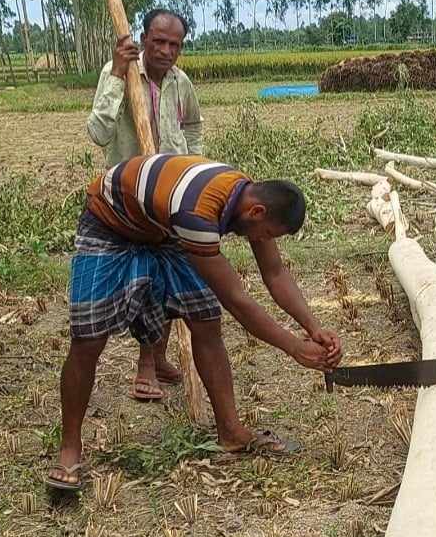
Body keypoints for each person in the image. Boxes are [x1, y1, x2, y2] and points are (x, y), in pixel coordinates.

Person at [45, 154, 343, 491]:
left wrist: (313, 327)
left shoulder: (248, 198)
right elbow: (237, 300)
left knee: (204, 320)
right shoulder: (196, 214)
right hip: (111, 226)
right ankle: (70, 446)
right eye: (267, 233)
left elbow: (274, 273)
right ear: (256, 213)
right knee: (88, 338)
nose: (261, 240)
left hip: (163, 229)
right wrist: (294, 348)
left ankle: (230, 432)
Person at [87, 8, 205, 401]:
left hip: (170, 194)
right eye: (158, 41)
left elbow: (192, 126)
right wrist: (119, 76)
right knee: (141, 280)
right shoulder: (116, 74)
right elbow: (98, 132)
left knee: (169, 278)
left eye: (175, 44)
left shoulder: (180, 82)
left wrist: (194, 167)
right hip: (129, 197)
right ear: (143, 38)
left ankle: (156, 359)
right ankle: (145, 365)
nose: (166, 50)